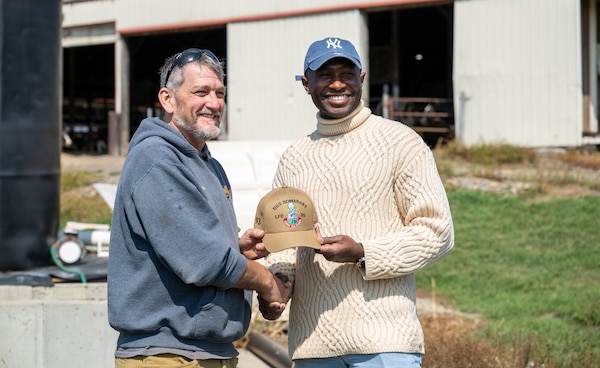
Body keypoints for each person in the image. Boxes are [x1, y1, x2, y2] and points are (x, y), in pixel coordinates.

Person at [259, 37, 455, 368]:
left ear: (361, 79)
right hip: (313, 346)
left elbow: (437, 233)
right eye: (324, 74)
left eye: (346, 73)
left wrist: (363, 253)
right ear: (307, 84)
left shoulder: (400, 143)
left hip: (387, 345)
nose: (337, 83)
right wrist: (277, 287)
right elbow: (284, 245)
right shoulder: (293, 159)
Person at [107, 48, 288, 368]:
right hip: (167, 356)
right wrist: (266, 281)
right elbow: (203, 261)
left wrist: (237, 249)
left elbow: (197, 248)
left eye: (220, 93)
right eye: (200, 92)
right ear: (168, 99)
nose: (215, 103)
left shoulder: (209, 165)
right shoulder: (157, 160)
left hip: (207, 352)